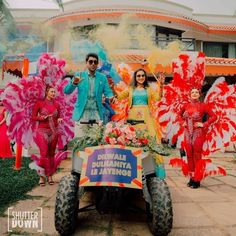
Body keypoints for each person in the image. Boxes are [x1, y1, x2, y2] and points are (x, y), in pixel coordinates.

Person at [117, 68, 166, 179]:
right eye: (138, 76)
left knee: (151, 138)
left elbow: (158, 98)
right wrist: (111, 87)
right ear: (135, 77)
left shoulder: (148, 89)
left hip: (146, 117)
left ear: (145, 77)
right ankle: (131, 167)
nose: (140, 77)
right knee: (132, 139)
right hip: (132, 117)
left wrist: (161, 86)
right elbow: (120, 96)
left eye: (142, 76)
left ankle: (153, 169)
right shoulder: (130, 89)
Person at [63, 53, 114, 136]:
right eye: (90, 62)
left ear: (97, 64)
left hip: (96, 115)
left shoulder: (102, 78)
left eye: (95, 62)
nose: (93, 64)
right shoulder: (79, 75)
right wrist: (74, 83)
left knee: (94, 143)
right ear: (86, 63)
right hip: (81, 114)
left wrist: (111, 96)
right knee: (79, 142)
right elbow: (66, 91)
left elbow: (108, 91)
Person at [179, 88, 217, 189]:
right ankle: (191, 178)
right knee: (189, 156)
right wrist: (181, 122)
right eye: (192, 92)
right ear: (189, 94)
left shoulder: (203, 106)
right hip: (187, 134)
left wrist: (204, 124)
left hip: (198, 134)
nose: (194, 94)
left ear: (199, 95)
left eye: (196, 92)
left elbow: (214, 116)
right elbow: (179, 115)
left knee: (197, 156)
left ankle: (197, 180)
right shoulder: (186, 105)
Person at [32, 86, 63, 186]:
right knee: (44, 153)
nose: (54, 93)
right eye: (52, 91)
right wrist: (41, 118)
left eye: (55, 92)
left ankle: (50, 176)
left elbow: (59, 116)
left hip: (54, 132)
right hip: (42, 131)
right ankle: (41, 176)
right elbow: (33, 117)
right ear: (46, 92)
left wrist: (59, 119)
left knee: (51, 154)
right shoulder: (39, 103)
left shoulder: (57, 104)